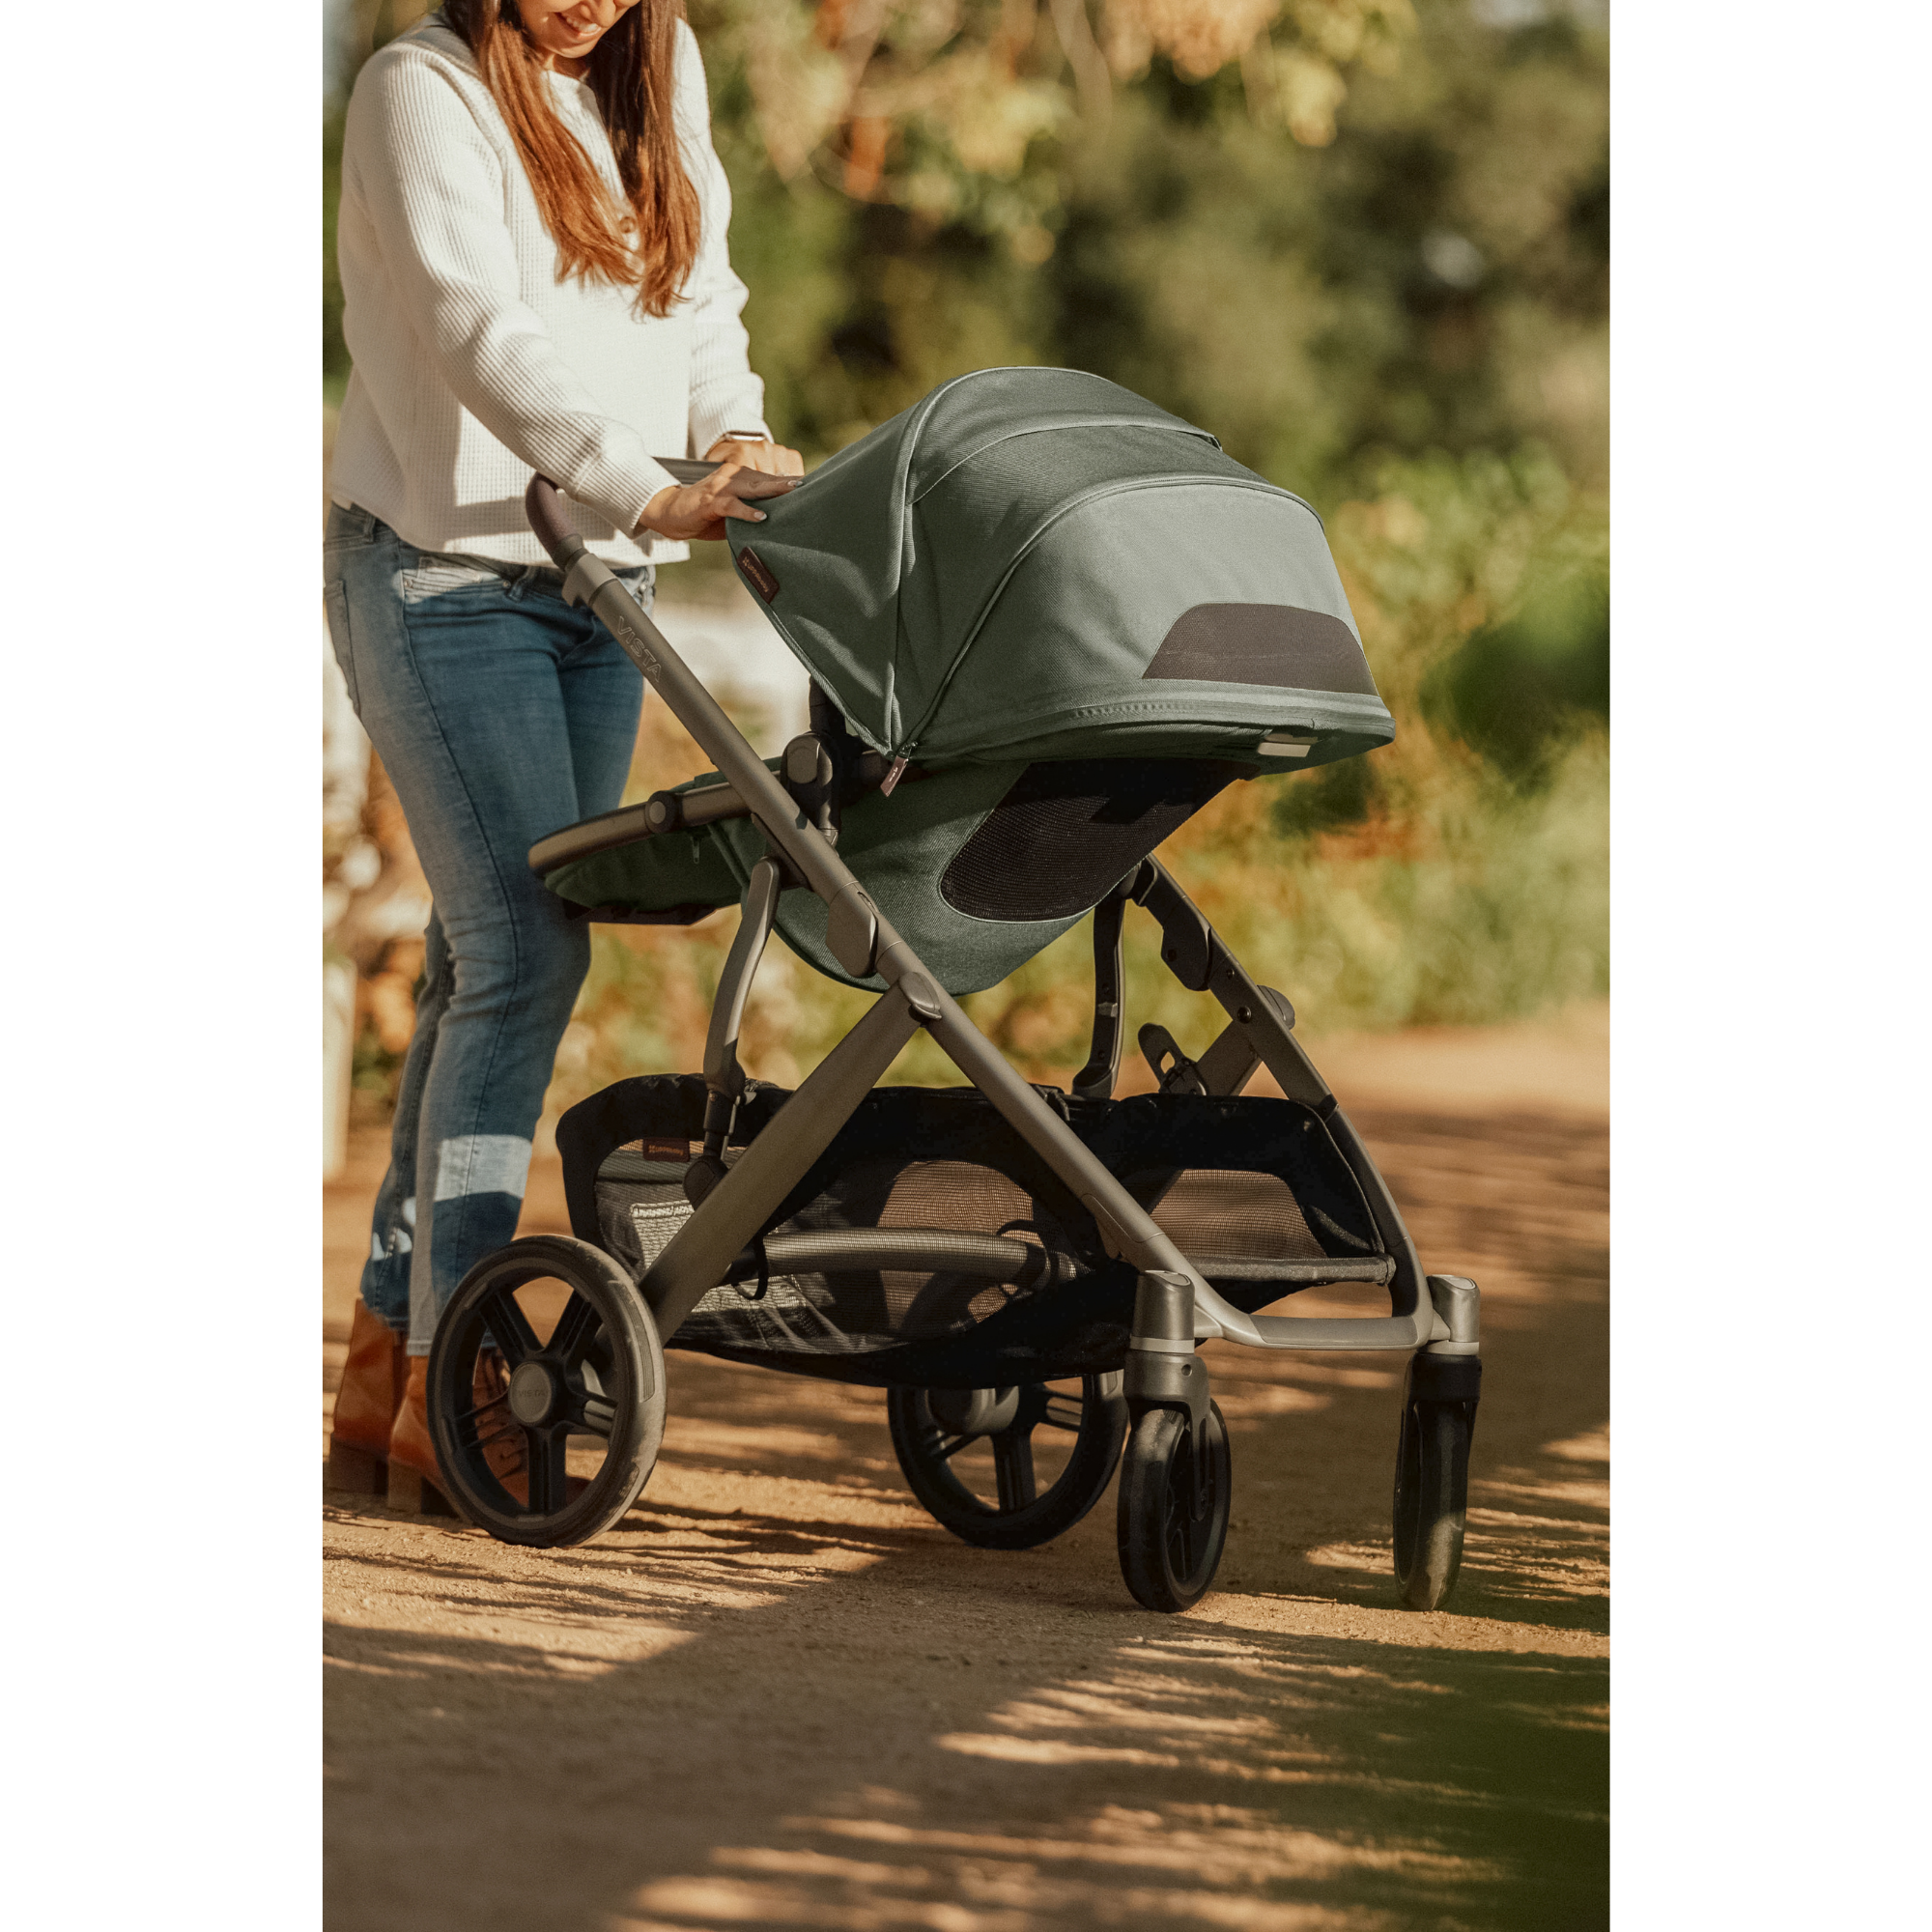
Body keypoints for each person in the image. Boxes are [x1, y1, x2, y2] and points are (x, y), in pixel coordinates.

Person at [324, 0, 801, 1511]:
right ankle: (468, 1356)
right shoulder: (422, 87)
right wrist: (636, 486)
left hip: (604, 587)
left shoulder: (661, 72)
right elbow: (482, 332)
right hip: (442, 575)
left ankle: (390, 1359)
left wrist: (736, 438)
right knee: (525, 956)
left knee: (489, 965)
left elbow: (700, 296)